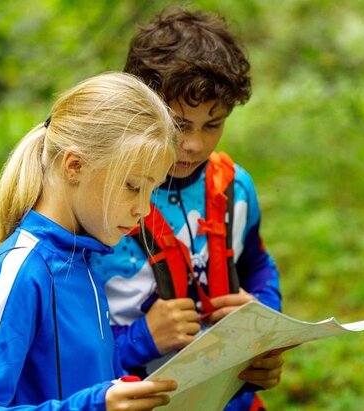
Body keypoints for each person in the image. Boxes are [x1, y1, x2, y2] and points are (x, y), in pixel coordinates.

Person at [0, 72, 179, 411]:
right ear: (74, 166)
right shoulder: (23, 269)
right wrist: (93, 405)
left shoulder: (86, 261)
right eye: (133, 186)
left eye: (151, 190)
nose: (143, 208)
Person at [89, 7, 283, 411]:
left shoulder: (235, 188)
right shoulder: (100, 203)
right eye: (178, 125)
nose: (194, 145)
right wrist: (142, 338)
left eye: (213, 124)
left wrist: (263, 317)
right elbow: (65, 348)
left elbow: (256, 263)